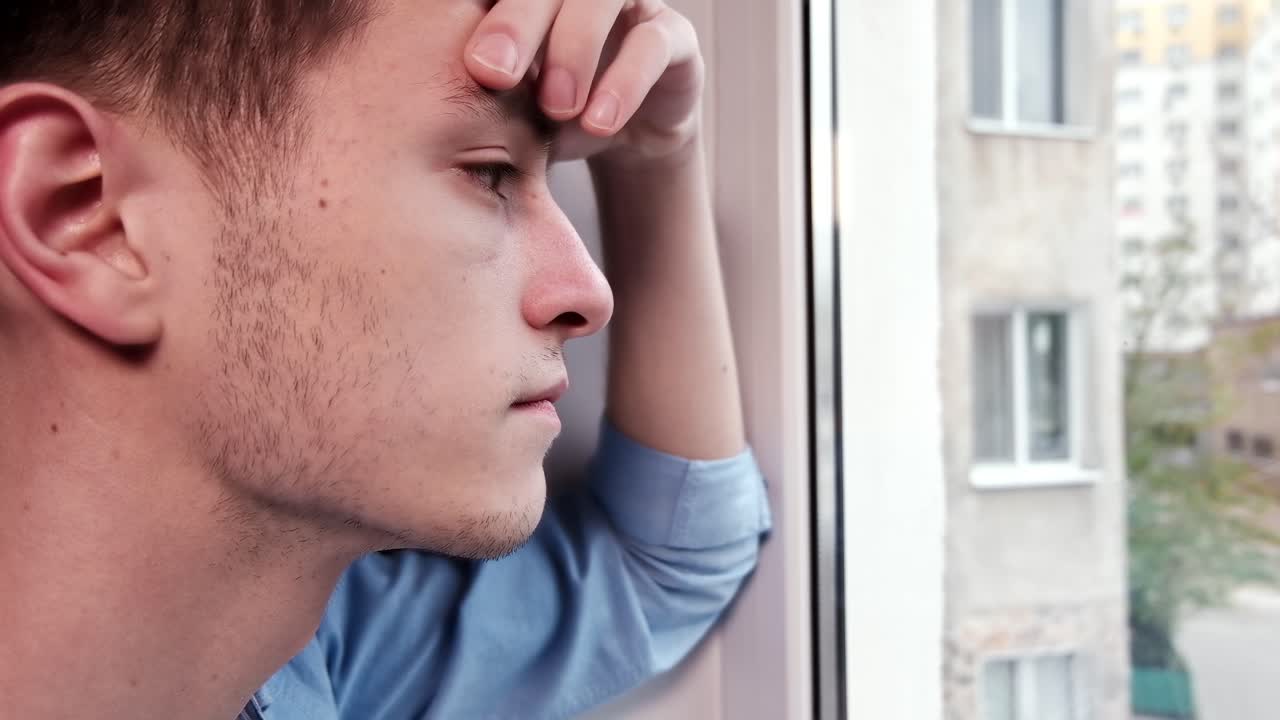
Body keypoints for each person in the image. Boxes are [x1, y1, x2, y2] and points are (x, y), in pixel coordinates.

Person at [0, 1, 771, 718]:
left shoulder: (305, 659)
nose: (588, 295)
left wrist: (652, 154)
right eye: (489, 172)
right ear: (82, 212)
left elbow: (664, 562)